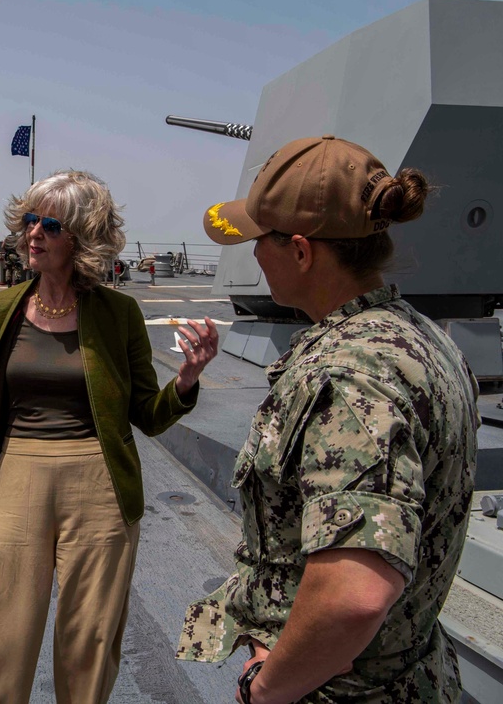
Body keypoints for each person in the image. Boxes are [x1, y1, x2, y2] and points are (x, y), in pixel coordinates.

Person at [0, 169, 219, 703]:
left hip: (100, 484)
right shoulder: (1, 310)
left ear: (83, 239)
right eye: (27, 220)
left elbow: (148, 415)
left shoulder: (119, 314)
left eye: (49, 223)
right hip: (17, 473)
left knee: (89, 638)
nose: (32, 233)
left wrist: (185, 381)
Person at [176, 136, 479, 704]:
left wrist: (263, 690)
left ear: (299, 251)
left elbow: (353, 596)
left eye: (259, 241)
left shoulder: (346, 375)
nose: (254, 254)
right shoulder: (425, 338)